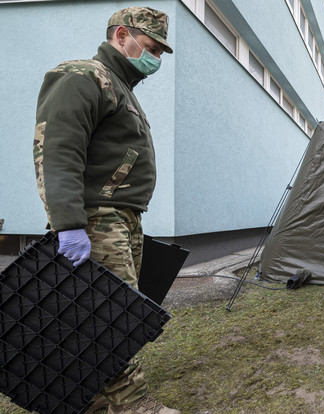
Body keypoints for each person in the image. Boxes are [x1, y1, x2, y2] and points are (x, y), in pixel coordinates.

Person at [33, 7, 178, 414]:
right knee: (113, 317)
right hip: (97, 219)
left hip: (121, 218)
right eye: (150, 47)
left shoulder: (121, 87)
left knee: (100, 314)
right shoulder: (83, 76)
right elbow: (56, 151)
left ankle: (94, 399)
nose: (156, 59)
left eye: (161, 53)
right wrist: (69, 224)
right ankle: (132, 405)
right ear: (120, 36)